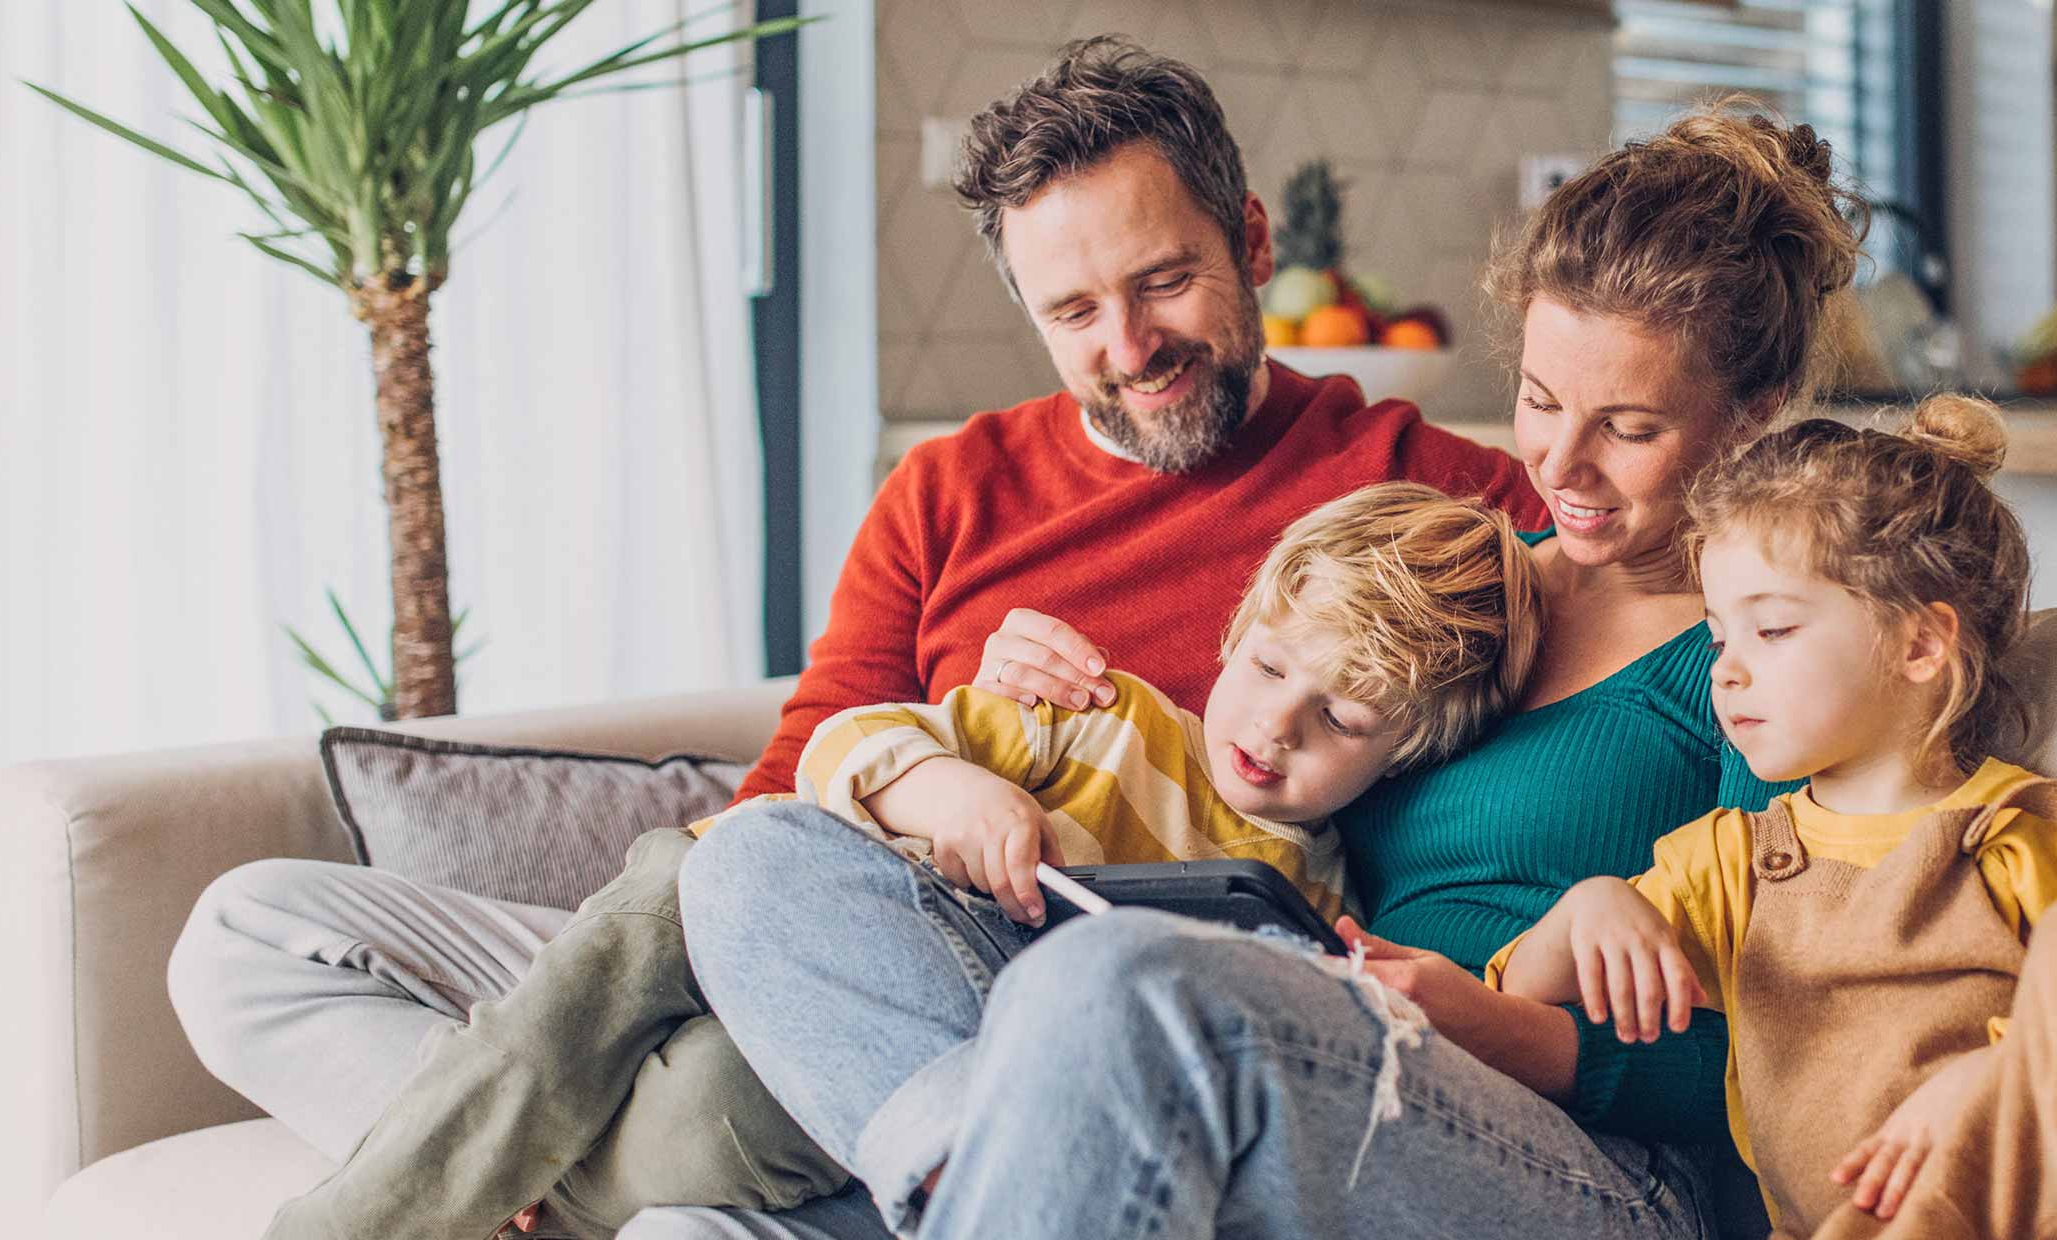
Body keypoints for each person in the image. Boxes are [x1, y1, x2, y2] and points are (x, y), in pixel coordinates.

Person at [169, 35, 1539, 1240]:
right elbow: (789, 780)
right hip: (781, 904)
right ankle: (524, 1148)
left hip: (975, 1007)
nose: (1128, 345)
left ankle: (490, 1168)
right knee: (249, 929)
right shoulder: (952, 488)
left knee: (722, 1096)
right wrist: (920, 778)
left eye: (1164, 280)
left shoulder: (1422, 498)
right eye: (1072, 311)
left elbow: (1646, 587)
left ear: (1250, 242)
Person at [686, 99, 1865, 1239]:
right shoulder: (1455, 579)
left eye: (1631, 429)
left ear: (1750, 418)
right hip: (1314, 1065)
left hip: (1587, 1161)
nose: (1559, 461)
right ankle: (982, 1177)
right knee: (755, 862)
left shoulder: (1761, 657)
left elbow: (1811, 1050)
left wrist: (1510, 1028)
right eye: (1540, 400)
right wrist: (1006, 716)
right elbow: (1256, 760)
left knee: (1120, 980)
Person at [253, 483, 1537, 1240]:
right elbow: (844, 747)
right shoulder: (1099, 714)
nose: (1274, 727)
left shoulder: (1315, 909)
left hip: (874, 1065)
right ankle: (402, 1199)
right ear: (1242, 622)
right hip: (737, 917)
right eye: (1267, 669)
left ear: (1414, 751)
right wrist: (949, 782)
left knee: (718, 1110)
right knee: (627, 904)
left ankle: (504, 1168)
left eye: (1345, 724)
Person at [1489, 397, 2057, 1239]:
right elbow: (1523, 985)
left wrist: (1996, 1079)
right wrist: (1593, 902)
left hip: (2044, 1214)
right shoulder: (1730, 863)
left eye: (1771, 629)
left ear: (1921, 647)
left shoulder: (2033, 839)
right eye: (1716, 639)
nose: (1728, 673)